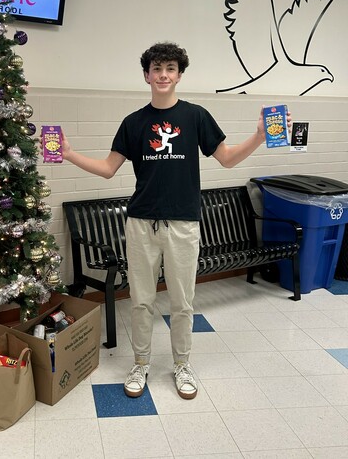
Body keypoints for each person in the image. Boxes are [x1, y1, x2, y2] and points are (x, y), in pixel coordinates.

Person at [60, 42, 286, 400]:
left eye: (170, 69)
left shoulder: (195, 116)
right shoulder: (133, 123)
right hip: (140, 225)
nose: (162, 75)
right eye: (156, 69)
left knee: (182, 301)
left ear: (179, 75)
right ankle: (141, 363)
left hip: (183, 224)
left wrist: (259, 135)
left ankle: (182, 364)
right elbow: (107, 170)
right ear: (146, 75)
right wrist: (69, 154)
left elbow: (226, 159)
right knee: (141, 300)